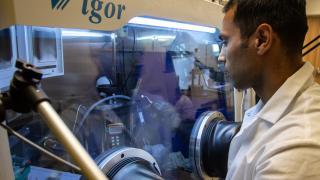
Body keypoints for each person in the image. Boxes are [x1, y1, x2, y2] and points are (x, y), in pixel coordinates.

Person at [219, 0, 320, 179]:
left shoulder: (297, 147)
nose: (221, 56)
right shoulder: (271, 105)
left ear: (262, 40)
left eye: (226, 42)